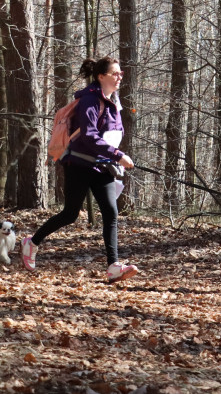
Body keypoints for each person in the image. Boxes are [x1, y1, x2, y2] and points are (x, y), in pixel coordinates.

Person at [21, 56, 138, 283]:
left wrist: (114, 158)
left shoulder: (113, 101)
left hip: (102, 166)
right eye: (115, 73)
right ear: (101, 76)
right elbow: (89, 135)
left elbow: (111, 135)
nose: (120, 77)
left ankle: (113, 266)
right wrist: (119, 155)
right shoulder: (90, 100)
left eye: (121, 73)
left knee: (111, 213)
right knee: (70, 214)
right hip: (80, 164)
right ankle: (32, 242)